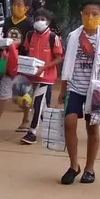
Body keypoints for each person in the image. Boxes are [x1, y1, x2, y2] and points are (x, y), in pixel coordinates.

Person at [59, 0, 100, 184]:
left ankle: (89, 168)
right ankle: (74, 165)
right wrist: (63, 88)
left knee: (92, 128)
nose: (90, 17)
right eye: (87, 13)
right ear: (81, 15)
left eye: (94, 14)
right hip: (75, 86)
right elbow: (68, 64)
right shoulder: (73, 37)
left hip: (96, 89)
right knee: (69, 122)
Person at [0, 0, 34, 135]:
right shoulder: (7, 21)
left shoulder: (29, 24)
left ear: (26, 8)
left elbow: (30, 43)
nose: (15, 7)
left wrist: (19, 46)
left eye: (19, 5)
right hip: (7, 59)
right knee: (2, 91)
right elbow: (4, 37)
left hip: (23, 60)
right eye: (14, 5)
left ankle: (26, 119)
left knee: (23, 92)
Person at [19, 9, 63, 145]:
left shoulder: (52, 38)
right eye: (37, 18)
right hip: (32, 76)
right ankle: (53, 130)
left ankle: (32, 132)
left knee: (37, 103)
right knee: (42, 106)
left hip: (46, 77)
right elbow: (26, 51)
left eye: (43, 19)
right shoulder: (30, 35)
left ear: (48, 22)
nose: (39, 21)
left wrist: (43, 67)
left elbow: (59, 58)